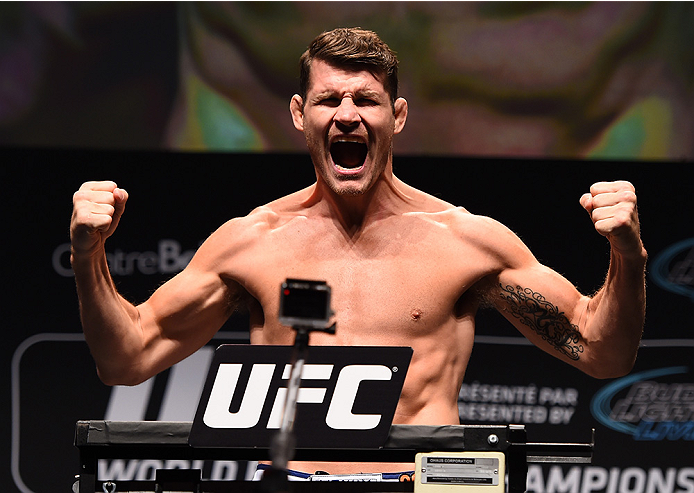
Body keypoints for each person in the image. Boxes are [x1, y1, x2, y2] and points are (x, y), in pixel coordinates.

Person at [70, 28, 647, 478]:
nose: (347, 114)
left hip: (421, 484)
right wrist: (89, 255)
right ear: (301, 115)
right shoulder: (251, 243)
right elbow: (127, 359)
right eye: (329, 99)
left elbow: (602, 353)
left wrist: (628, 255)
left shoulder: (466, 241)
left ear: (395, 116)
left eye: (367, 99)